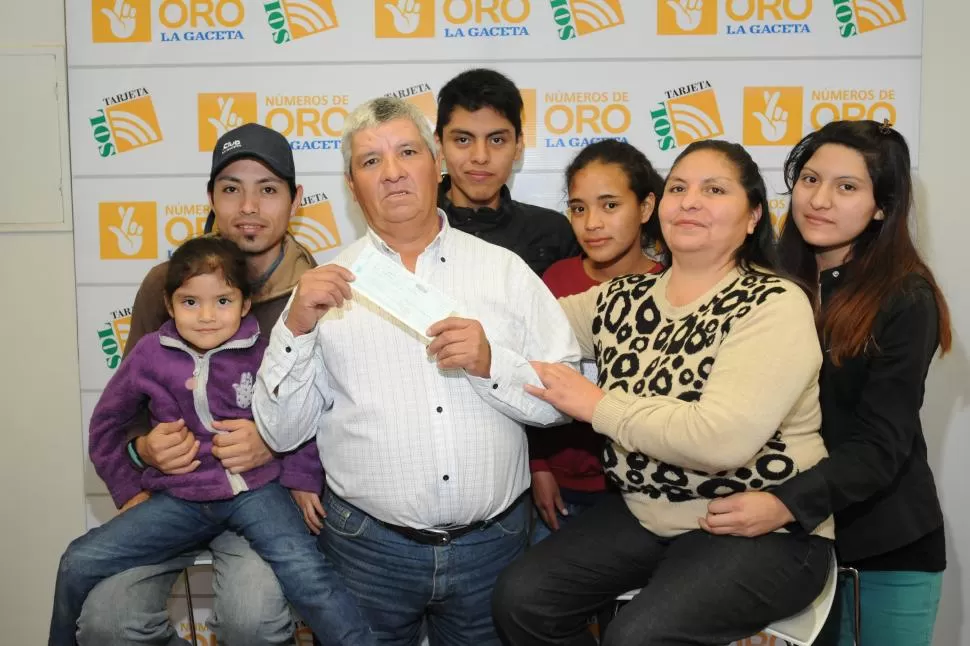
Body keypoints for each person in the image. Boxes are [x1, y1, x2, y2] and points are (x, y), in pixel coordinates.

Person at [251, 96, 581, 646]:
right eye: (370, 161)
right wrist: (298, 327)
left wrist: (491, 362)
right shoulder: (324, 288)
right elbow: (281, 431)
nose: (393, 172)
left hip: (493, 545)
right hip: (366, 548)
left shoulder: (504, 272)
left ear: (438, 167)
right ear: (353, 187)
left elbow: (563, 398)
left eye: (407, 152)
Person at [492, 140, 835, 646]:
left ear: (753, 217)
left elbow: (719, 439)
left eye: (713, 189)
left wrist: (597, 404)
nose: (690, 201)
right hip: (648, 512)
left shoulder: (773, 303)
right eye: (678, 188)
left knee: (637, 637)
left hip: (763, 528)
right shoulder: (621, 297)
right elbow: (524, 327)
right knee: (522, 600)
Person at [50, 237, 375, 646]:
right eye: (190, 303)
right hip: (178, 499)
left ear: (244, 305)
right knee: (77, 561)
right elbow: (106, 423)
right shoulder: (151, 353)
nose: (206, 316)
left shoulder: (266, 349)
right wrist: (128, 485)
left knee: (306, 572)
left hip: (256, 493)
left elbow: (303, 411)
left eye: (222, 301)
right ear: (169, 305)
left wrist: (302, 477)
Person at [701, 120, 952, 646]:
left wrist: (785, 504)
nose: (819, 200)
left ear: (882, 206)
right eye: (811, 179)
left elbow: (881, 445)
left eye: (847, 187)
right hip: (781, 546)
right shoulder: (763, 282)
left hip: (882, 546)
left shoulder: (906, 297)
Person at [77, 123, 323, 646]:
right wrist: (143, 449)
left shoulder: (315, 290)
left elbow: (335, 411)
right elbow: (128, 407)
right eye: (231, 188)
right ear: (211, 197)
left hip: (261, 498)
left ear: (295, 199)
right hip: (174, 494)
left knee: (252, 621)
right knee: (107, 621)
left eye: (268, 189)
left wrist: (274, 437)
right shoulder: (167, 284)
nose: (249, 206)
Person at [529, 140, 665, 543]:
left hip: (643, 492)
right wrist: (539, 467)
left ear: (644, 207)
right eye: (578, 208)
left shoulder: (671, 287)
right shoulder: (555, 280)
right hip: (560, 485)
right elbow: (532, 377)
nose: (591, 223)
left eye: (609, 205)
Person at [435, 68, 580, 276]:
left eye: (496, 140)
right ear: (439, 145)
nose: (481, 157)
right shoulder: (411, 227)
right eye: (463, 140)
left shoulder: (553, 232)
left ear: (518, 145)